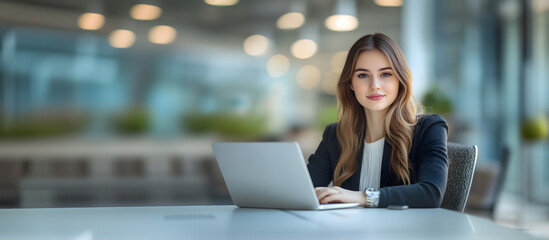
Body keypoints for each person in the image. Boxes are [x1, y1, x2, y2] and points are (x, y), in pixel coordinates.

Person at [307, 33, 448, 208]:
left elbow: (431, 193)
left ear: (400, 80)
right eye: (363, 75)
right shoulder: (335, 135)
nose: (375, 85)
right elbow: (302, 190)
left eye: (386, 74)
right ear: (350, 83)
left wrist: (362, 197)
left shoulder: (429, 129)